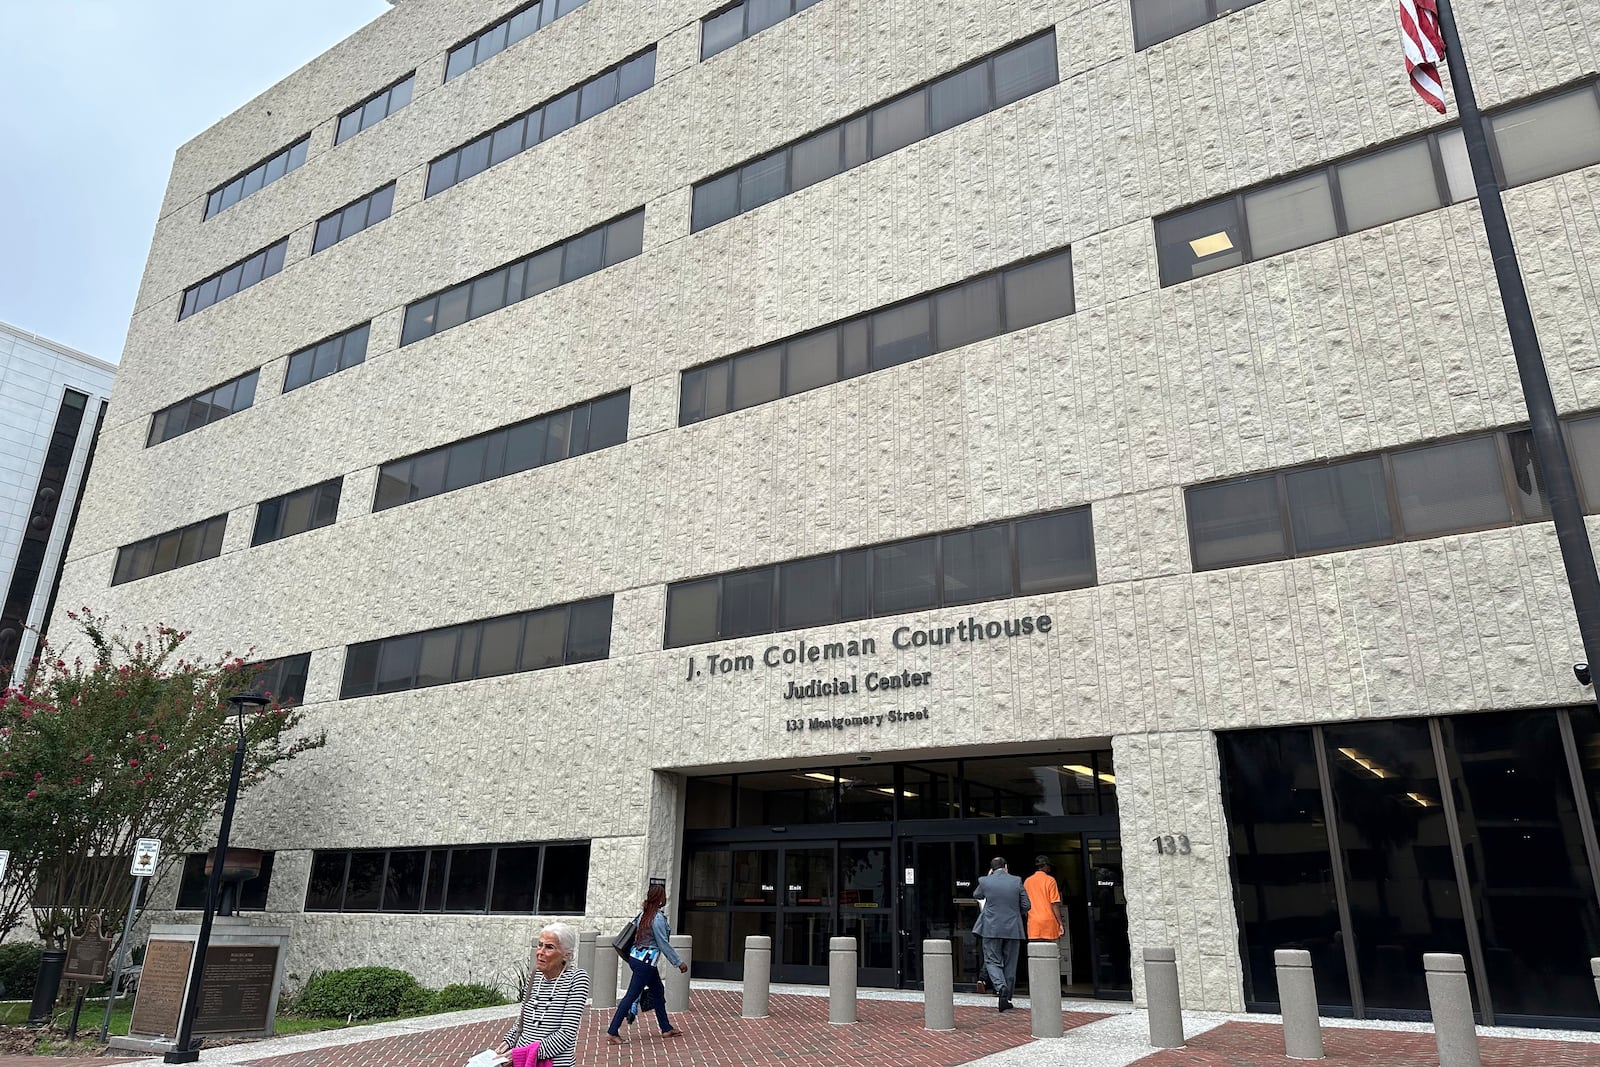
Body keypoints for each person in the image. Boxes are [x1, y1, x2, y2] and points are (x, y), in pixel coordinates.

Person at [489, 922, 590, 1067]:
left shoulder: (577, 978)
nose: (540, 952)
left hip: (554, 1062)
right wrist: (506, 1043)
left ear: (566, 955)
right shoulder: (535, 976)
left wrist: (521, 1054)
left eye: (549, 947)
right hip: (522, 1061)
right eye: (539, 945)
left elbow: (566, 1034)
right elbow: (522, 1022)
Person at [607, 884, 688, 1043]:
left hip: (638, 959)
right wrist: (678, 963)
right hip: (645, 963)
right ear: (659, 898)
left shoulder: (644, 914)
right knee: (631, 996)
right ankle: (612, 1031)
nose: (666, 898)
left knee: (658, 991)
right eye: (663, 895)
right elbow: (663, 943)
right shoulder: (656, 918)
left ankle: (666, 1028)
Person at [972, 856, 1029, 1012]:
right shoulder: (1016, 881)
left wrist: (989, 878)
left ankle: (1000, 986)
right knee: (1010, 964)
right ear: (1006, 867)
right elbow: (1026, 905)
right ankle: (1007, 997)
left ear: (992, 868)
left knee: (991, 960)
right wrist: (1015, 914)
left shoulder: (985, 881)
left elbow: (977, 895)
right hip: (1013, 928)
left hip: (991, 928)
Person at [1024, 854, 1069, 982]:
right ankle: (1052, 983)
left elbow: (1025, 904)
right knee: (1053, 956)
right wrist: (1060, 923)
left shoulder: (1027, 881)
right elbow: (1054, 903)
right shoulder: (1050, 880)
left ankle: (1038, 982)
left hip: (1033, 922)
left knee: (1036, 956)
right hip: (1049, 922)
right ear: (1046, 866)